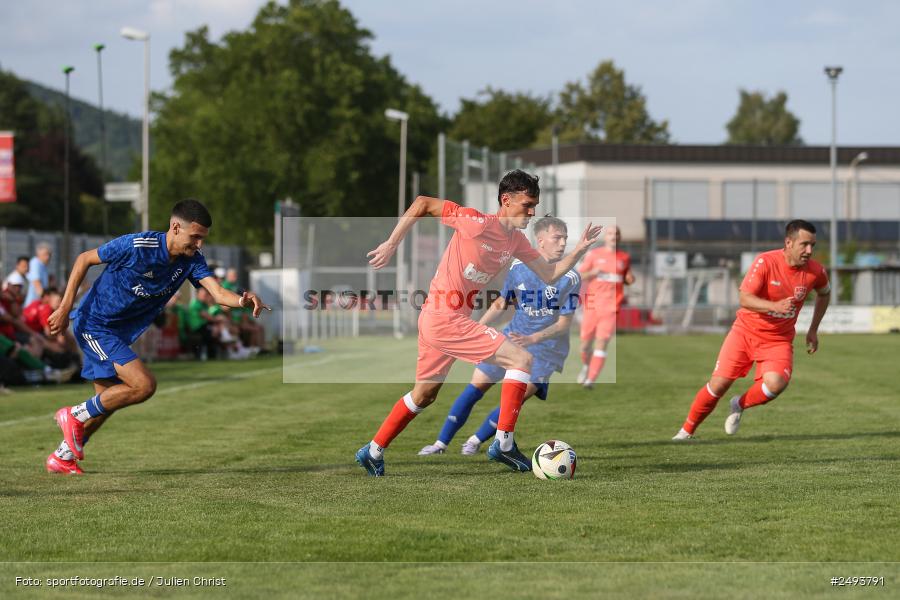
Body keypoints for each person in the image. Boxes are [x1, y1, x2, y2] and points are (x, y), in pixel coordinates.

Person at [355, 169, 602, 476]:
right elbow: (421, 203)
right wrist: (392, 243)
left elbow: (549, 274)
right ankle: (504, 444)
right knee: (521, 358)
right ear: (506, 200)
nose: (532, 211)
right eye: (527, 204)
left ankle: (373, 450)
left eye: (535, 205)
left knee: (424, 395)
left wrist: (578, 250)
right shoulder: (476, 222)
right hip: (443, 318)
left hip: (442, 319)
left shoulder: (516, 241)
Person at [44, 199, 270, 475]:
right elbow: (84, 259)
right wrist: (66, 306)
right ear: (175, 227)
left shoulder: (191, 261)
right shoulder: (138, 245)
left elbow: (219, 294)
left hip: (116, 333)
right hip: (95, 324)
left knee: (109, 401)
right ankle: (73, 414)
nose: (199, 245)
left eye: (203, 239)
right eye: (195, 237)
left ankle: (62, 456)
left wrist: (244, 301)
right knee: (144, 385)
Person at [417, 216, 581, 456]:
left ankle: (476, 441)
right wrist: (476, 329)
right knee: (475, 388)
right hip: (513, 337)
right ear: (541, 240)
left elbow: (564, 324)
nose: (562, 243)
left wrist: (533, 340)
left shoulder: (571, 277)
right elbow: (502, 303)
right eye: (557, 238)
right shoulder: (518, 267)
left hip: (546, 351)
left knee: (514, 399)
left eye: (565, 238)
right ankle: (440, 444)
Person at [672, 219, 831, 440]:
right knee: (718, 385)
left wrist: (813, 329)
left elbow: (824, 293)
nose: (809, 250)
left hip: (778, 340)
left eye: (813, 245)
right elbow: (744, 298)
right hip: (745, 333)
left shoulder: (815, 272)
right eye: (804, 244)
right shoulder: (765, 262)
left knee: (775, 385)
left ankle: (738, 404)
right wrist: (774, 305)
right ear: (788, 242)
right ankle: (685, 432)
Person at [576, 225, 634, 389]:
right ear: (605, 237)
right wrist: (593, 272)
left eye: (616, 233)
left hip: (611, 307)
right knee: (585, 344)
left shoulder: (624, 258)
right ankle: (586, 367)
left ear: (619, 237)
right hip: (592, 305)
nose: (613, 236)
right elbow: (580, 275)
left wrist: (630, 278)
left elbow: (627, 277)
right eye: (610, 233)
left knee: (602, 342)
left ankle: (591, 380)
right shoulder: (594, 255)